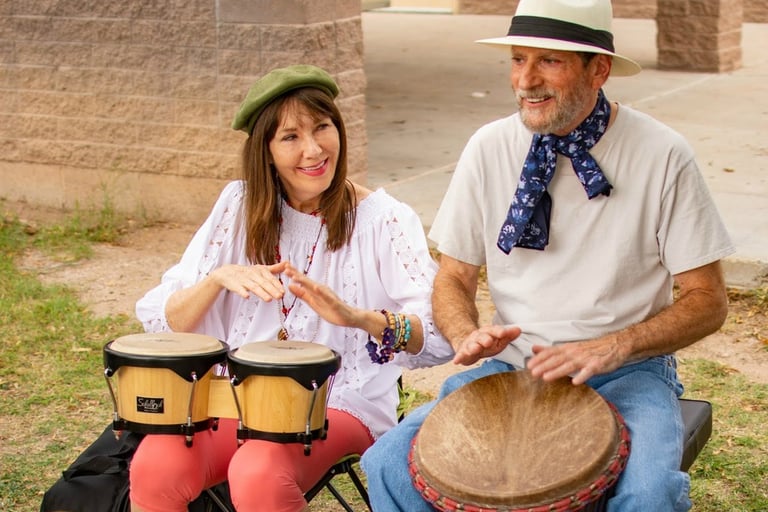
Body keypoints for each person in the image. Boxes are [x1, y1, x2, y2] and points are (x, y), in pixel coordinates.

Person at [361, 0, 735, 510]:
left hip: (629, 371)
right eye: (518, 59)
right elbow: (453, 278)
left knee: (649, 494)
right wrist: (465, 333)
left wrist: (616, 346)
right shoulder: (487, 147)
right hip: (512, 368)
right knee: (387, 464)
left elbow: (708, 299)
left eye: (549, 61)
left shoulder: (662, 154)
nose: (525, 81)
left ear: (598, 69)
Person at [128, 64, 453, 512]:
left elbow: (437, 334)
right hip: (241, 396)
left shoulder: (385, 220)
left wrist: (358, 318)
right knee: (155, 464)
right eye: (290, 137)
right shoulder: (237, 206)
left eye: (323, 128)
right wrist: (217, 281)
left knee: (258, 470)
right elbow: (166, 321)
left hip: (339, 400)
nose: (314, 149)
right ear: (265, 151)